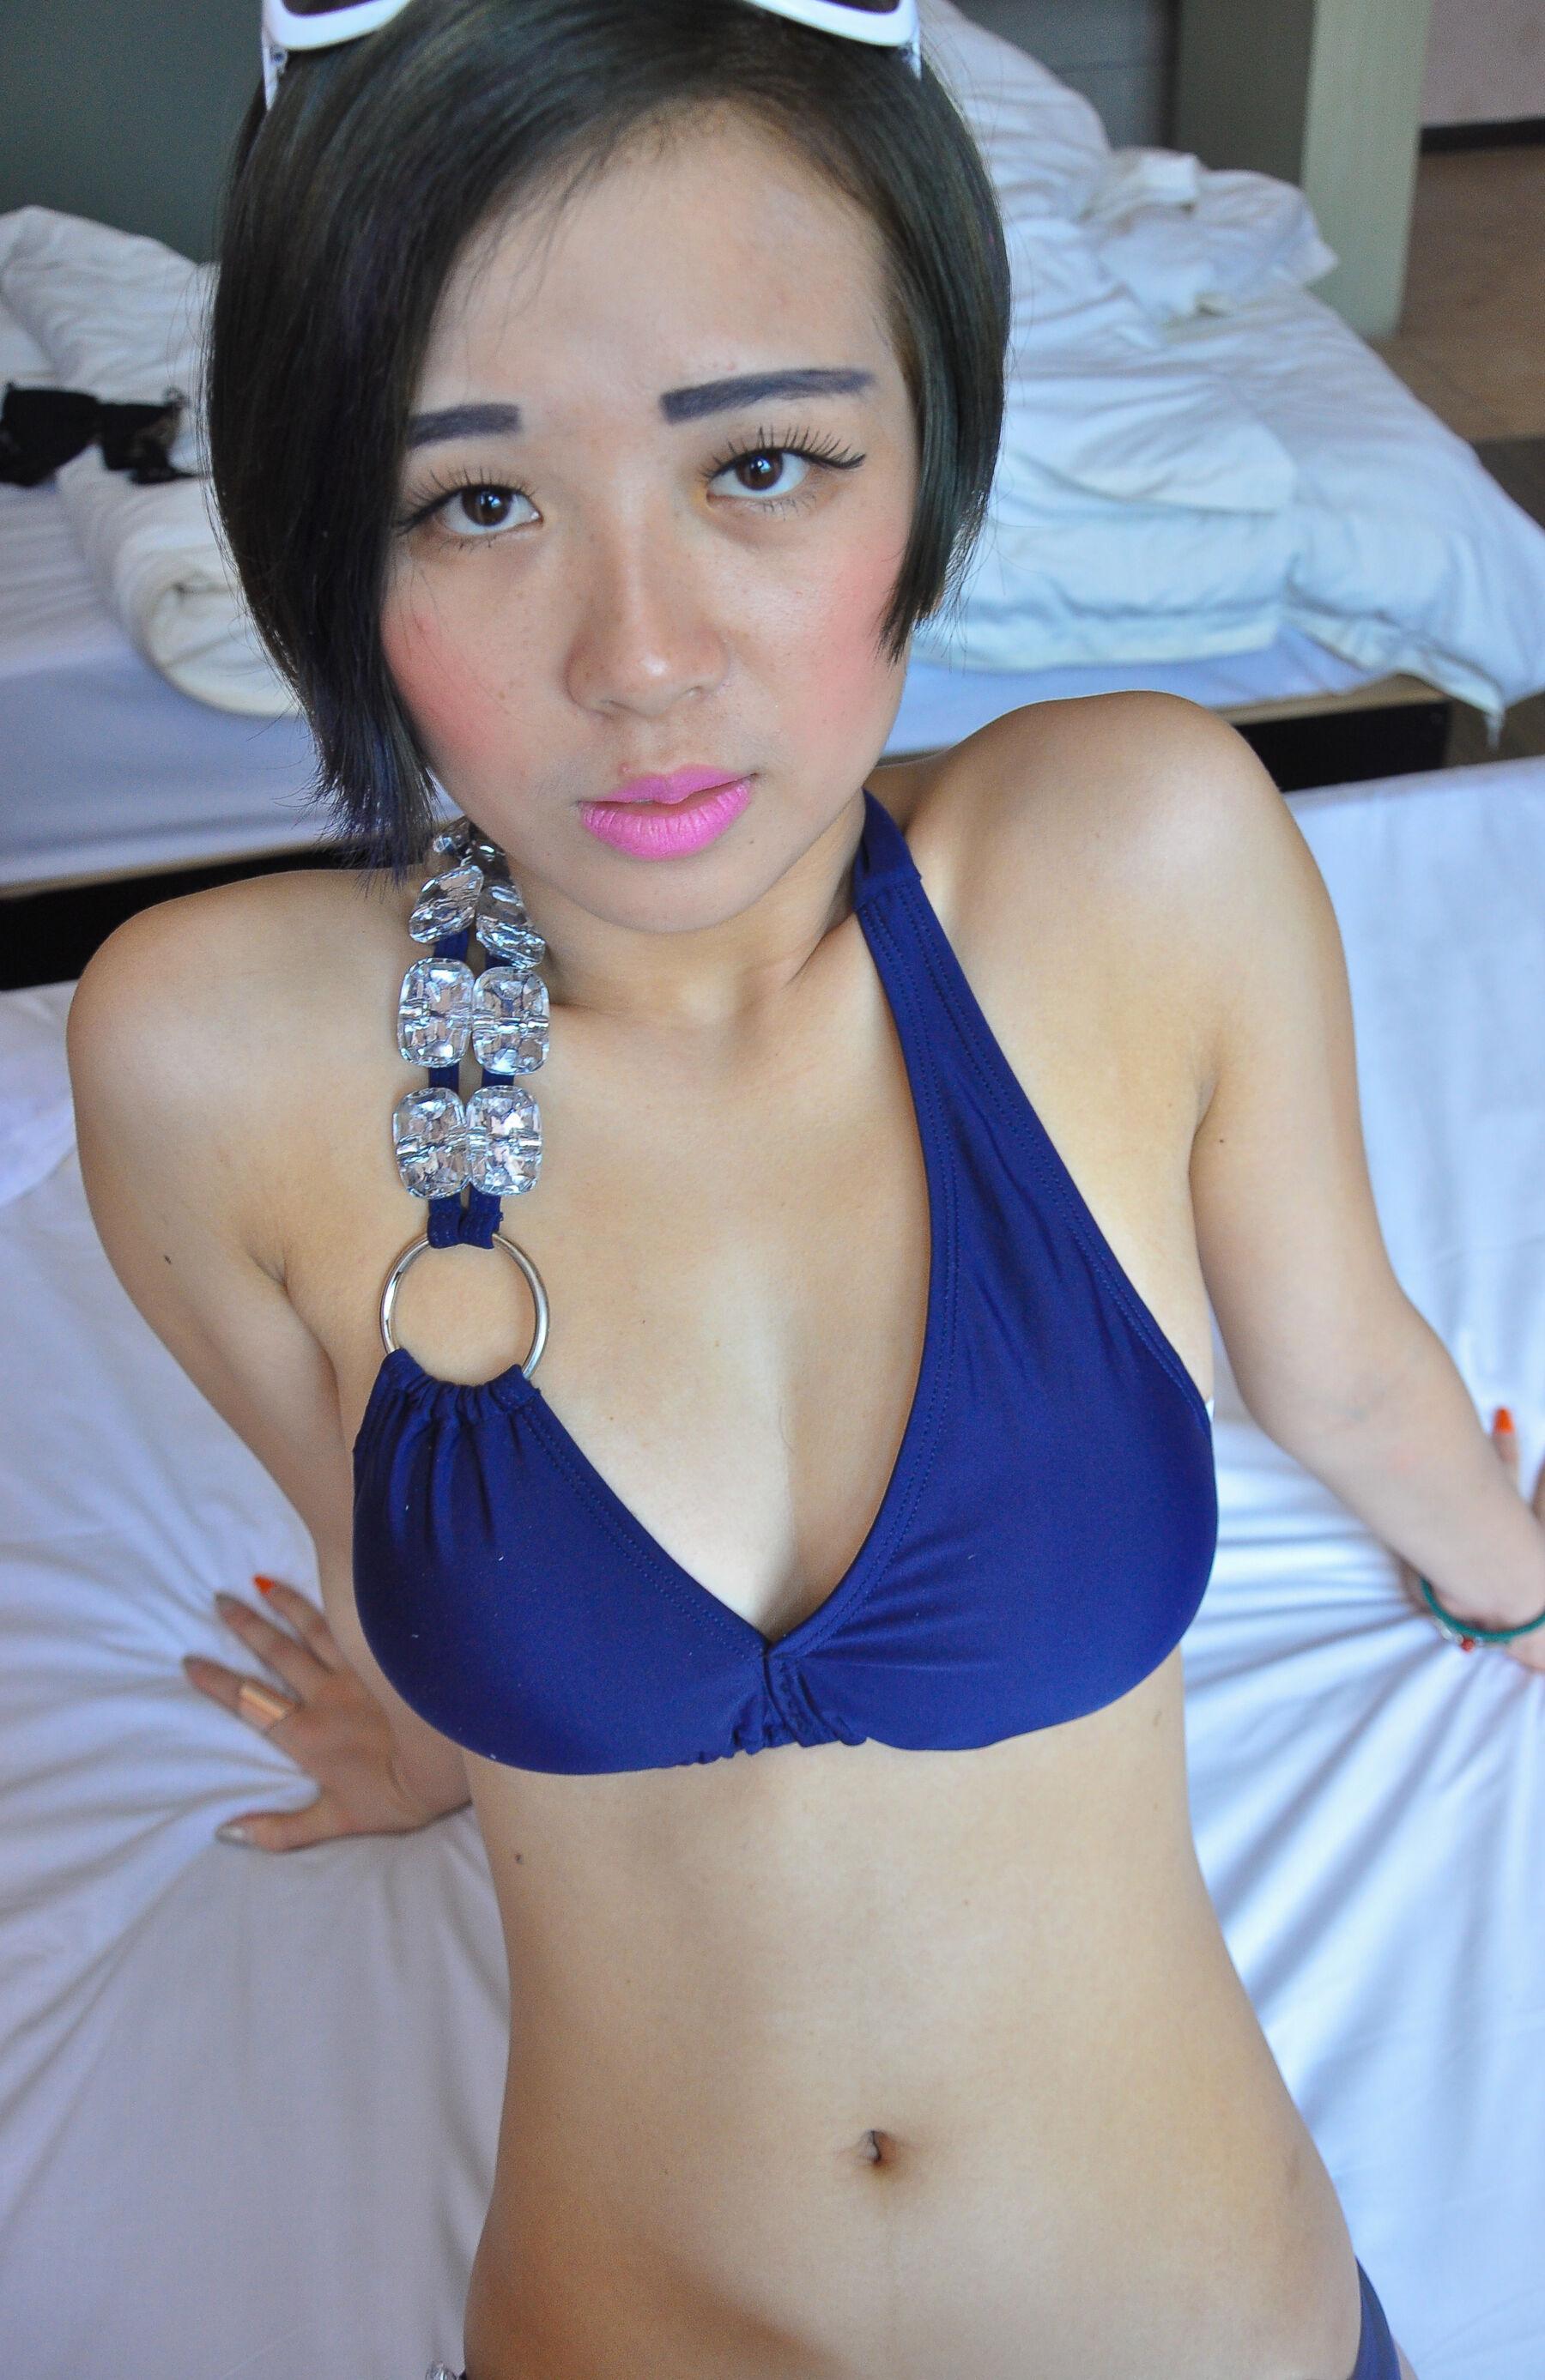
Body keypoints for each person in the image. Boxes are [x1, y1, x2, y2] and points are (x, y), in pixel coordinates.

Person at [68, 3, 1545, 2372]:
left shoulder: (1135, 863)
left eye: (761, 465)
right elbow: (385, 1549)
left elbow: (1342, 1363)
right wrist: (420, 1742)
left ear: (928, 459)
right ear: (333, 536)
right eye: (478, 502)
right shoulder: (204, 1057)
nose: (642, 659)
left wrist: (1511, 1576)